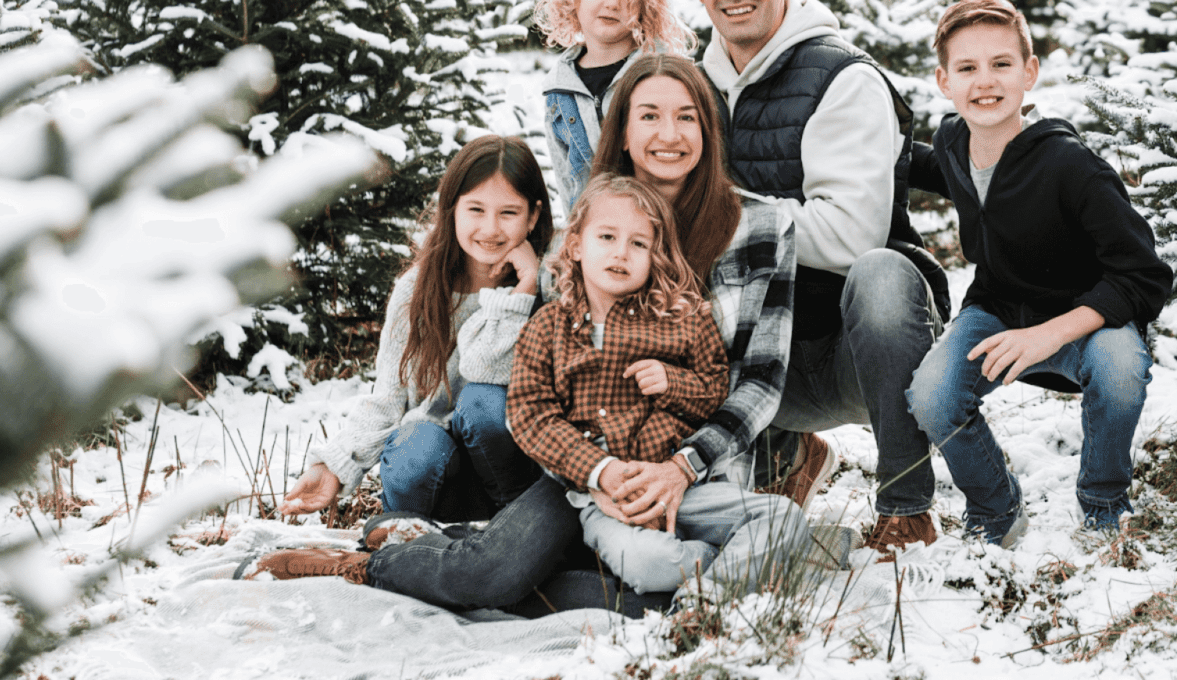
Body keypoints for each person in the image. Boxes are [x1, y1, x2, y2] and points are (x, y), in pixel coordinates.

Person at [245, 58, 803, 614]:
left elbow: (756, 382)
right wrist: (597, 472)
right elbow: (537, 403)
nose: (669, 134)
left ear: (709, 130)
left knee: (673, 578)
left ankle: (694, 607)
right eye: (649, 115)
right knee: (503, 577)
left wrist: (681, 465)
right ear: (623, 134)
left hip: (696, 470)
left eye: (687, 117)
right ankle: (376, 565)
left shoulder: (759, 233)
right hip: (584, 475)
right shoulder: (579, 245)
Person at [688, 0, 948, 559]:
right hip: (749, 360)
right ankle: (778, 461)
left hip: (850, 354)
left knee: (883, 273)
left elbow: (850, 235)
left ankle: (907, 506)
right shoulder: (690, 85)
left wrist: (715, 218)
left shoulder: (843, 77)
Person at [906, 0, 1173, 541]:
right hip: (999, 311)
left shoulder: (1072, 167)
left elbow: (1144, 274)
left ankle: (1103, 502)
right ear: (943, 80)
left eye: (1002, 64)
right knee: (931, 393)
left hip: (1086, 322)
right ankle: (996, 508)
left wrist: (1046, 334)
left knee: (1122, 370)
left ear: (1029, 73)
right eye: (967, 68)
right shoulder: (954, 141)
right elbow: (945, 172)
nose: (985, 82)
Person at [509, 174, 809, 596]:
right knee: (652, 564)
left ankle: (704, 596)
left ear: (656, 255)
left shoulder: (685, 317)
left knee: (784, 518)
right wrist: (601, 472)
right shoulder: (548, 327)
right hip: (608, 502)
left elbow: (714, 391)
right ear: (576, 246)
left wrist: (673, 382)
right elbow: (529, 414)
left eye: (638, 244)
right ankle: (723, 566)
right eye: (608, 237)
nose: (621, 253)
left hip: (683, 487)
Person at [274, 135, 552, 525]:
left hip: (513, 474)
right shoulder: (417, 291)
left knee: (482, 402)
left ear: (533, 216)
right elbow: (388, 399)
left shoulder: (550, 287)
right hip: (442, 477)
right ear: (451, 209)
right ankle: (405, 537)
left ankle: (520, 533)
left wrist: (522, 291)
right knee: (414, 441)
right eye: (475, 209)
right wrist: (333, 467)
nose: (490, 228)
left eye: (508, 213)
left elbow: (487, 371)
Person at [536, 0, 696, 211]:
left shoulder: (666, 75)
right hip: (596, 242)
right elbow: (568, 188)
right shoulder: (559, 90)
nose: (613, 2)